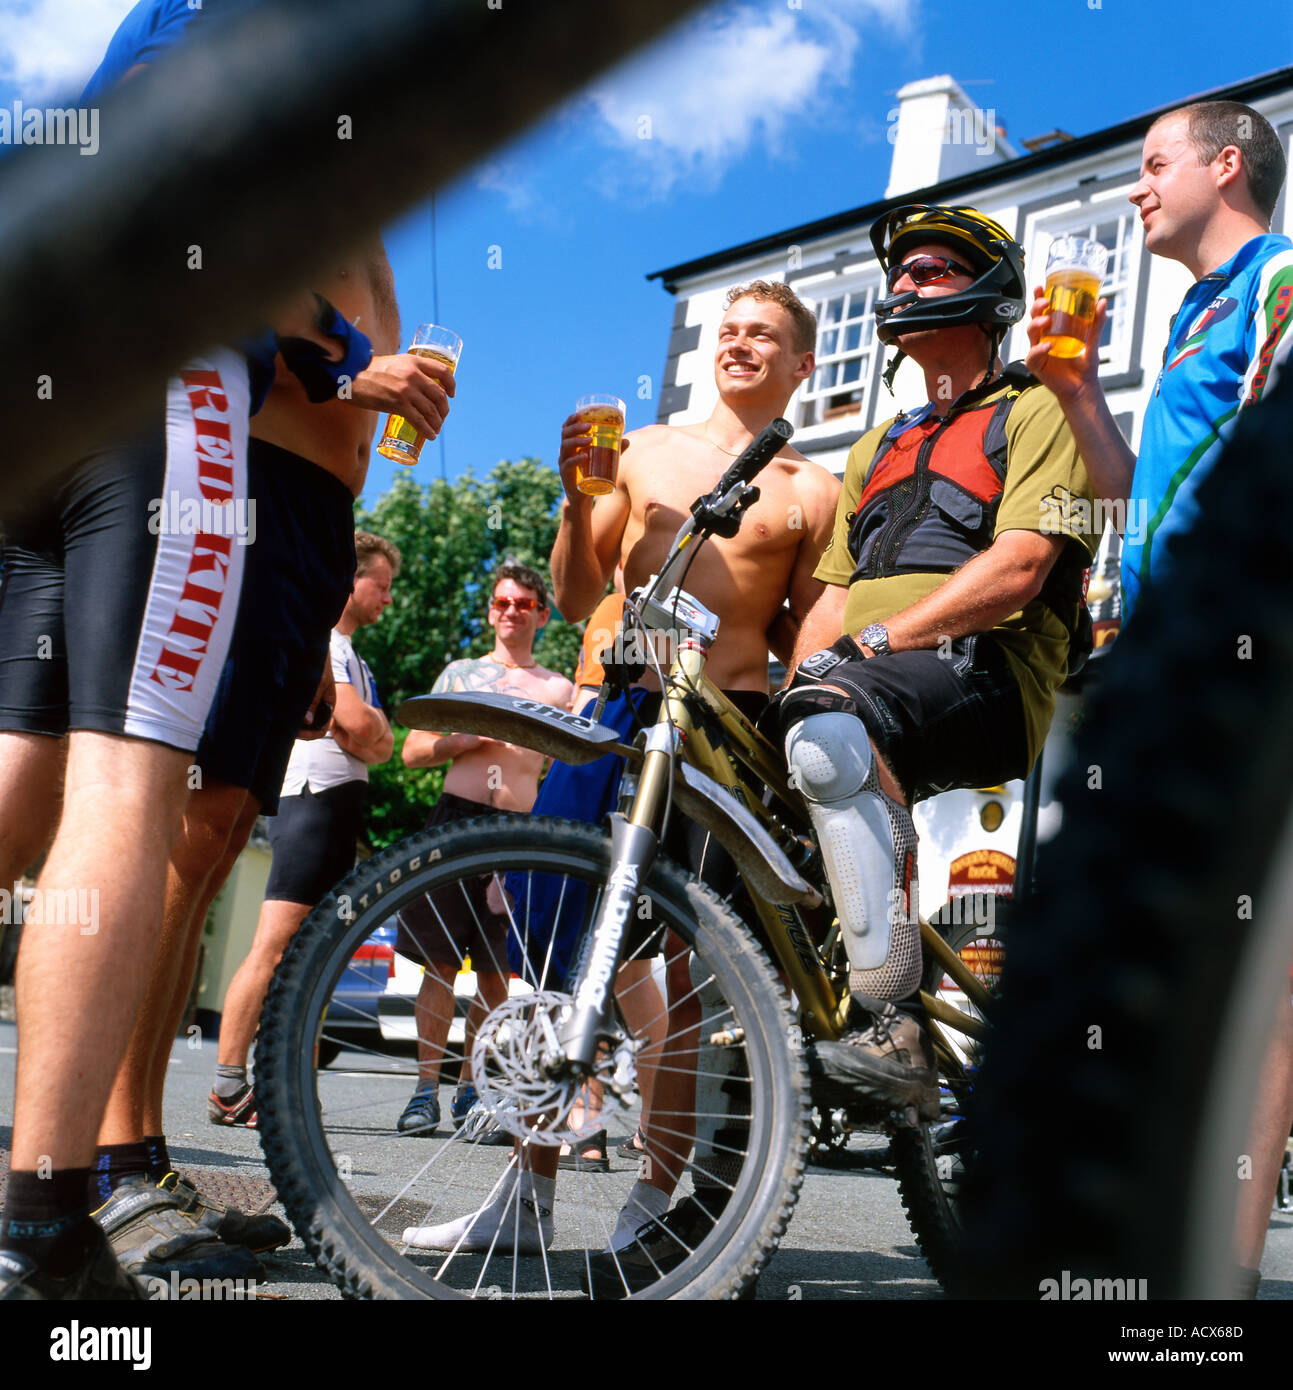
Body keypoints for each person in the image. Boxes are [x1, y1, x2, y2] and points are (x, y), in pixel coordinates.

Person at [404, 281, 840, 1279]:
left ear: (801, 362)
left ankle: (653, 1196)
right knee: (558, 959)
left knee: (675, 975)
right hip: (609, 718)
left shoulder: (810, 489)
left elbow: (803, 641)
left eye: (762, 335)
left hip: (717, 728)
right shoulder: (638, 450)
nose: (737, 345)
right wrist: (571, 496)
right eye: (727, 331)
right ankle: (527, 1193)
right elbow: (571, 595)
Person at [1025, 100, 1293, 1298]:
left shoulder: (1280, 278)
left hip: (1241, 661)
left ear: (1226, 165)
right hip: (1168, 653)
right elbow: (1149, 503)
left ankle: (1219, 1277)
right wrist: (1079, 395)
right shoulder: (1189, 315)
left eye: (1153, 165)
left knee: (1257, 969)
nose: (1137, 189)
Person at [781, 205, 1098, 1131]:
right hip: (864, 685)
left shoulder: (1040, 406)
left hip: (988, 674)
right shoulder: (873, 445)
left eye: (928, 272)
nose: (903, 286)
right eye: (901, 273)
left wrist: (872, 649)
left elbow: (1019, 568)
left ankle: (895, 1032)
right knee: (782, 761)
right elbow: (830, 604)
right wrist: (799, 690)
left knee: (832, 735)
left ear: (985, 292)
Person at [209, 532, 400, 1120]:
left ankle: (289, 1091)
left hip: (332, 803)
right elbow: (355, 725)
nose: (388, 600)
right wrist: (372, 733)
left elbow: (373, 740)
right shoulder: (331, 646)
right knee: (277, 944)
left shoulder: (350, 653)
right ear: (351, 580)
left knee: (311, 952)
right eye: (382, 585)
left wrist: (372, 734)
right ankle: (227, 1085)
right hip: (315, 799)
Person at [393, 564, 572, 1137]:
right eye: (502, 603)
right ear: (490, 610)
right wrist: (462, 739)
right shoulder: (461, 675)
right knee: (439, 966)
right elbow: (413, 752)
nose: (511, 612)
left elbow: (568, 771)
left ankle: (472, 1090)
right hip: (455, 824)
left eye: (524, 603)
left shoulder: (559, 689)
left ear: (542, 614)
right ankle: (424, 1093)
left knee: (497, 974)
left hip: (517, 833)